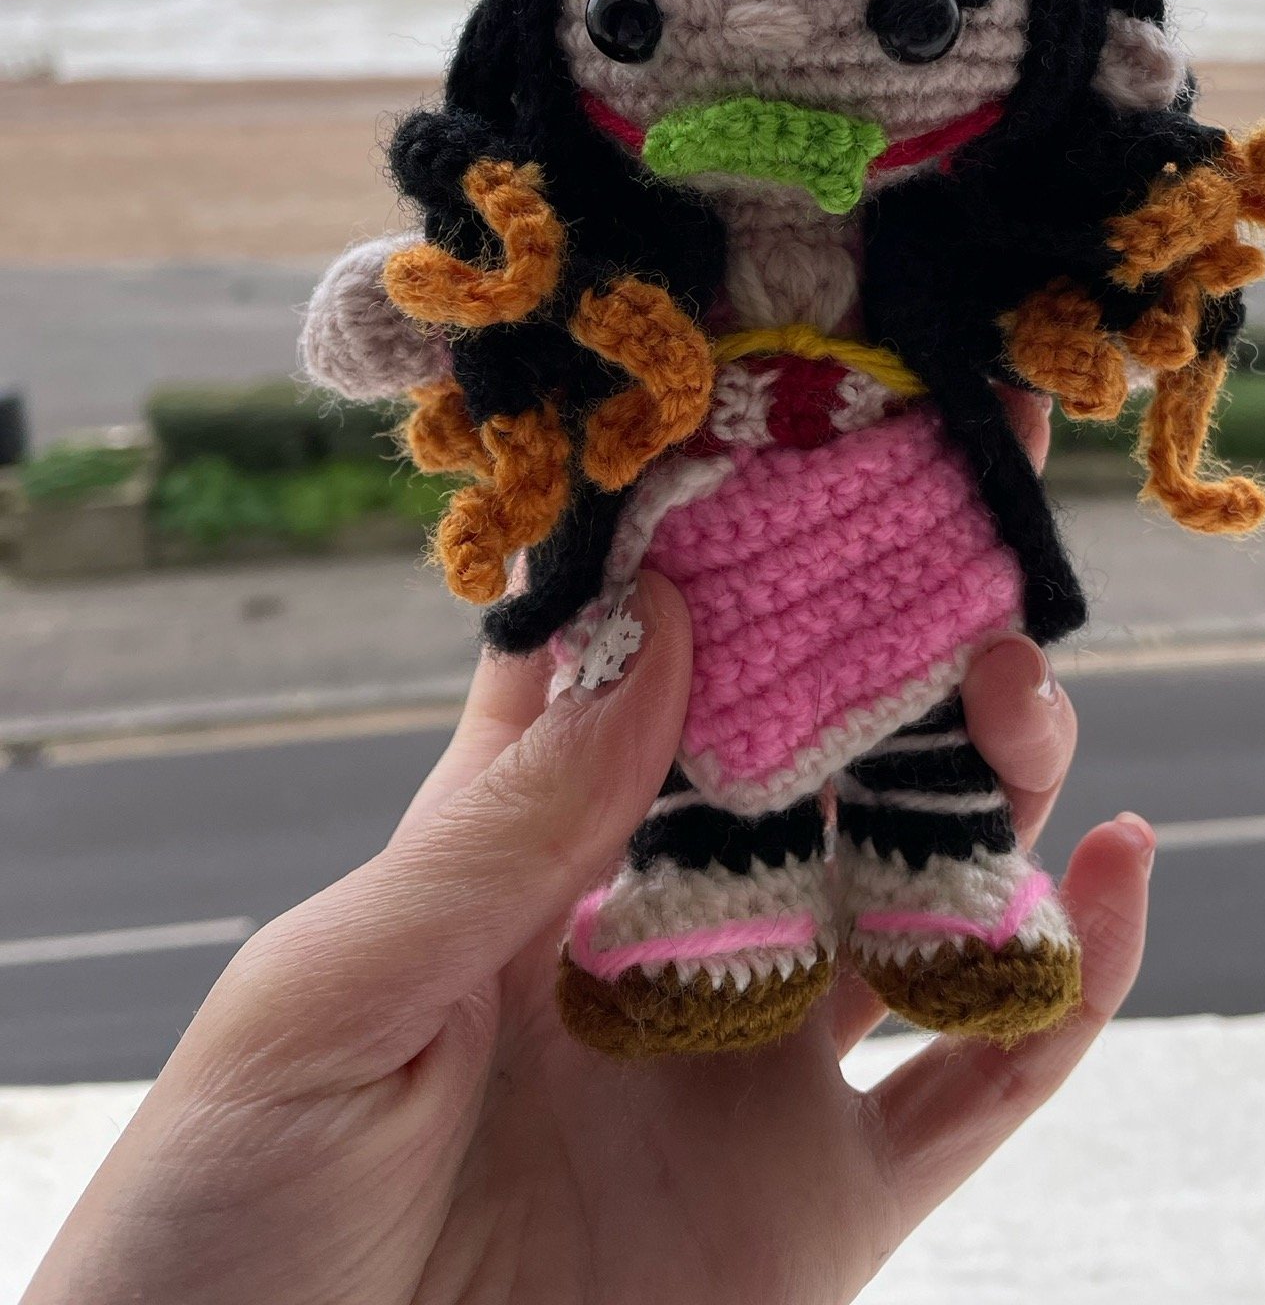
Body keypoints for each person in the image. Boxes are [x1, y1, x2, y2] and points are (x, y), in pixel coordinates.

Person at [25, 555, 1153, 1304]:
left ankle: (933, 868)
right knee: (714, 746)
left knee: (929, 703)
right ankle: (754, 896)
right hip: (715, 595)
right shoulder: (631, 392)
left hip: (895, 567)